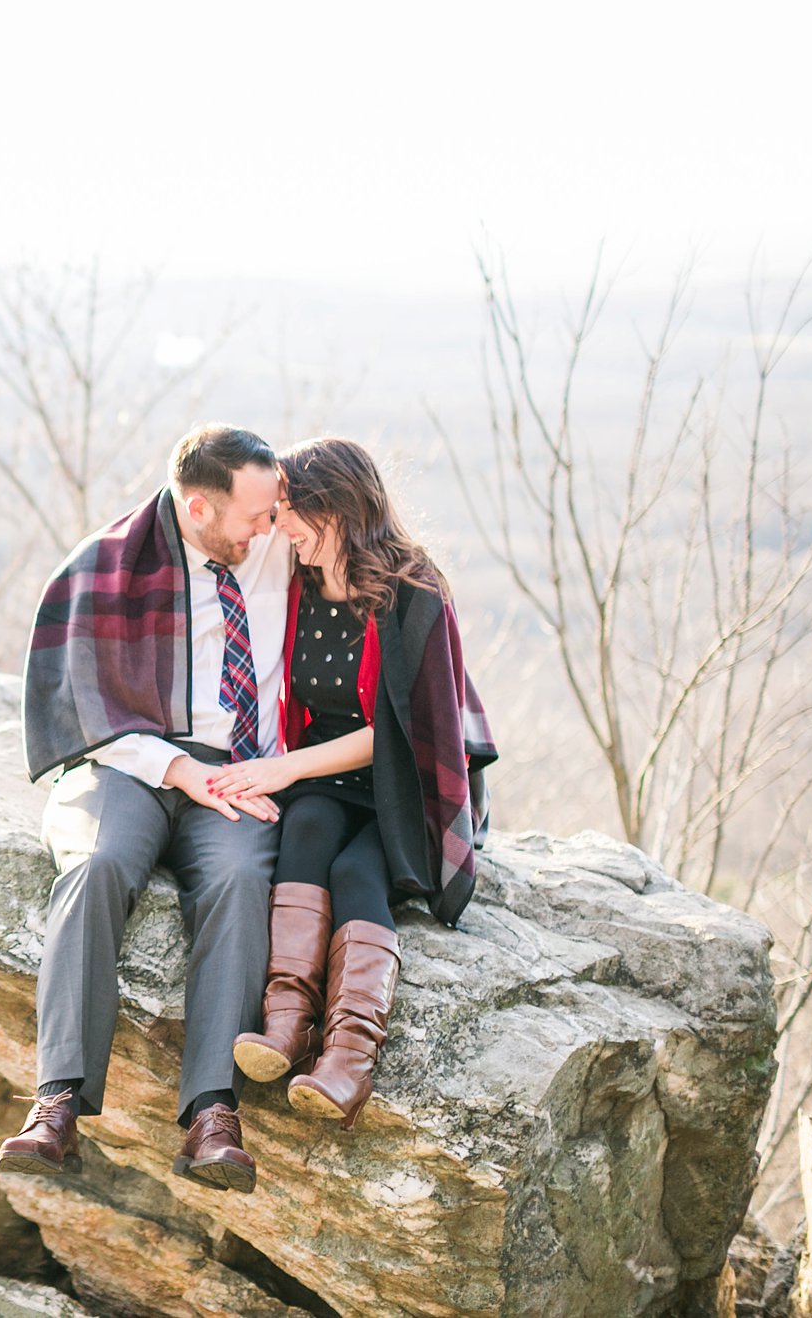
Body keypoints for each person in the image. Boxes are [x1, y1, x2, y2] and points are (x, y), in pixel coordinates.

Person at [0, 423, 294, 1194]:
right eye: (255, 515)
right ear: (198, 507)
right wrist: (172, 768)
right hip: (129, 762)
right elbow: (85, 709)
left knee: (238, 882)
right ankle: (57, 1101)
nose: (270, 528)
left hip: (235, 771)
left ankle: (211, 1112)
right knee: (96, 864)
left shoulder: (278, 546)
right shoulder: (105, 565)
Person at [215, 436, 498, 1130]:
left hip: (403, 786)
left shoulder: (413, 593)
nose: (279, 527)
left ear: (335, 507)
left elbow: (403, 733)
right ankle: (287, 1025)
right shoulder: (297, 581)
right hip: (324, 779)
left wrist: (283, 767)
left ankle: (348, 1057)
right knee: (304, 832)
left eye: (288, 511)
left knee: (357, 868)